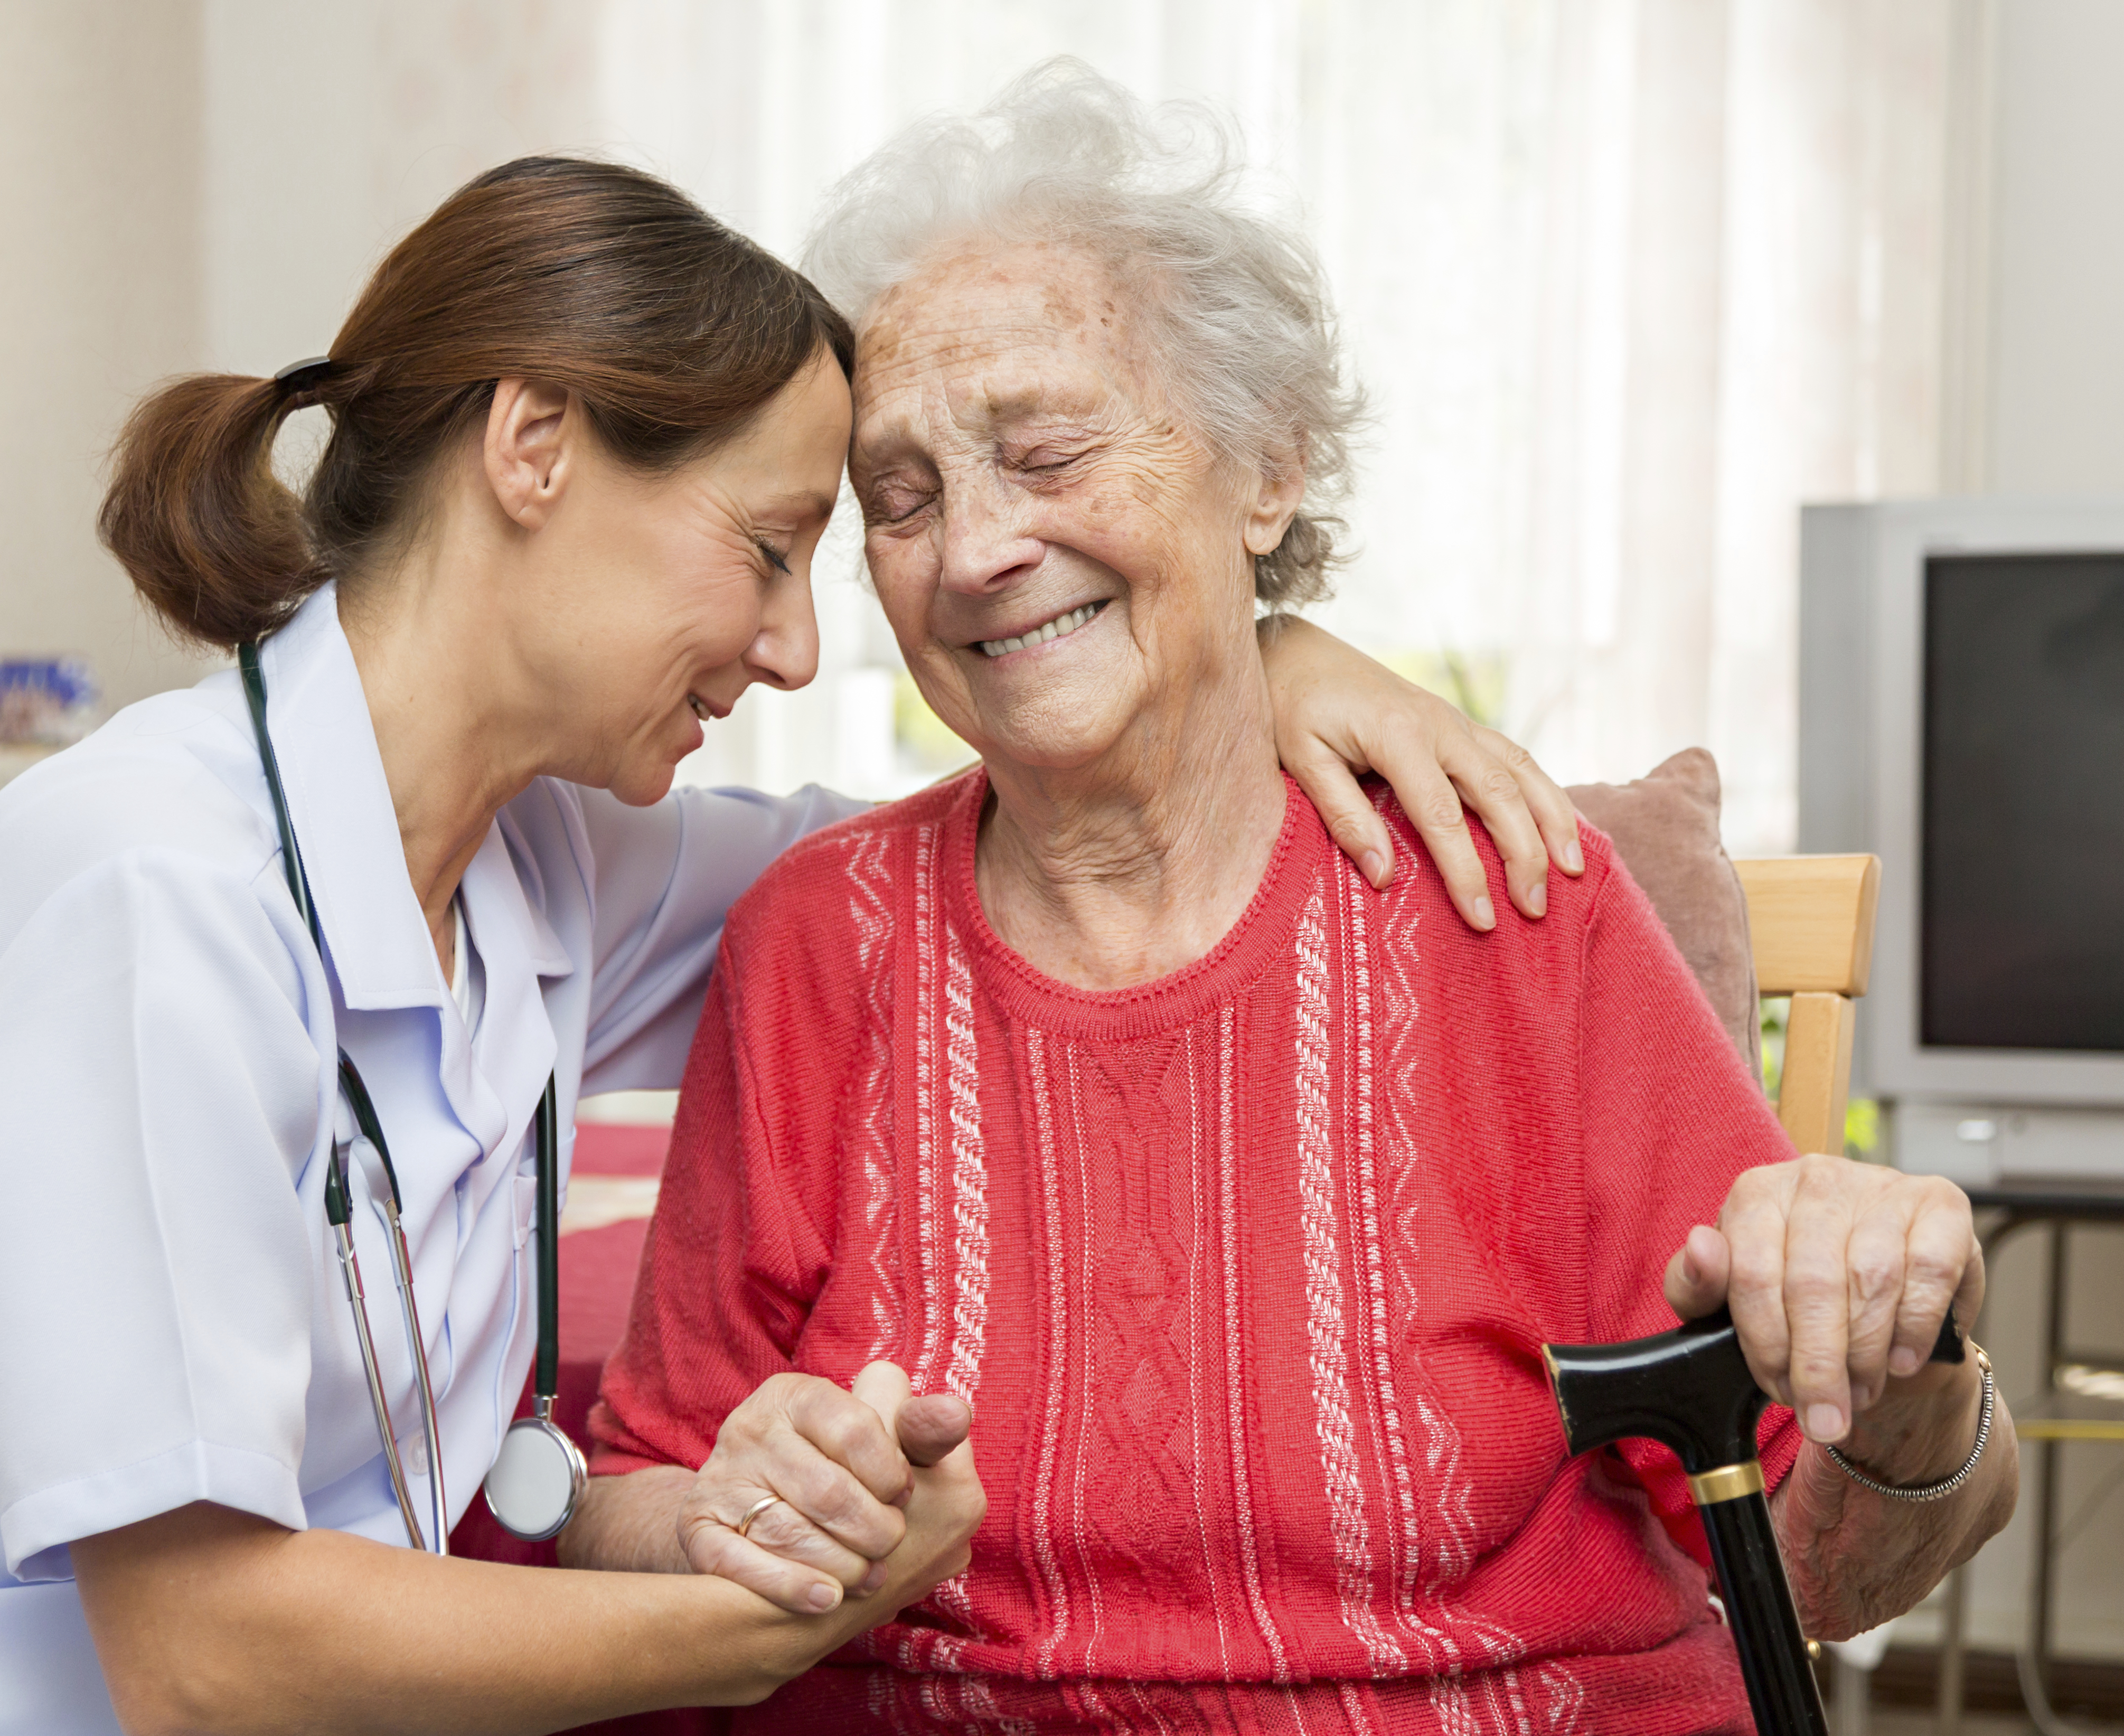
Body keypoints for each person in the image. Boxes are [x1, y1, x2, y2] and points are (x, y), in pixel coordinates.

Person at [0, 156, 1580, 1736]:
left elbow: (987, 828)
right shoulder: (139, 893)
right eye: (774, 546)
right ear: (533, 450)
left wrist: (1250, 642)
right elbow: (206, 1657)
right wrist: (748, 1622)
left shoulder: (545, 867)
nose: (798, 643)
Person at [576, 68, 2019, 1731]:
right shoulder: (818, 939)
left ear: (1264, 473)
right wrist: (723, 1516)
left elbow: (1827, 1568)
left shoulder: (1503, 900)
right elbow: (633, 1496)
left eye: (1043, 451)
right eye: (897, 499)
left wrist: (1902, 1361)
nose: (971, 548)